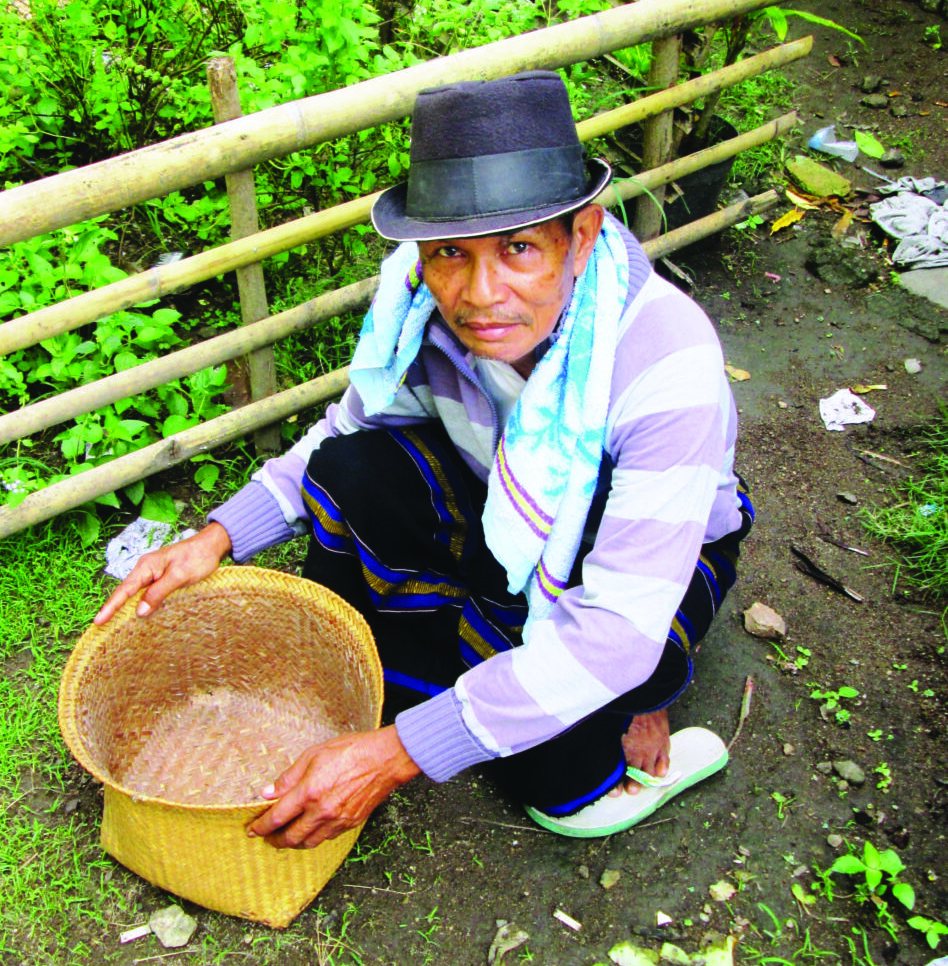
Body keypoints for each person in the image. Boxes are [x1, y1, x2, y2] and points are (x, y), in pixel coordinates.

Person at [96, 70, 753, 847]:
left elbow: (612, 628)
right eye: (449, 253)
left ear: (579, 237)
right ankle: (461, 675)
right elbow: (342, 433)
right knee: (347, 473)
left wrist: (399, 754)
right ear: (422, 251)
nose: (481, 294)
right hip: (502, 500)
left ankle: (634, 713)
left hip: (637, 554)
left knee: (553, 779)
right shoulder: (414, 301)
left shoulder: (663, 358)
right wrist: (216, 538)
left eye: (518, 250)